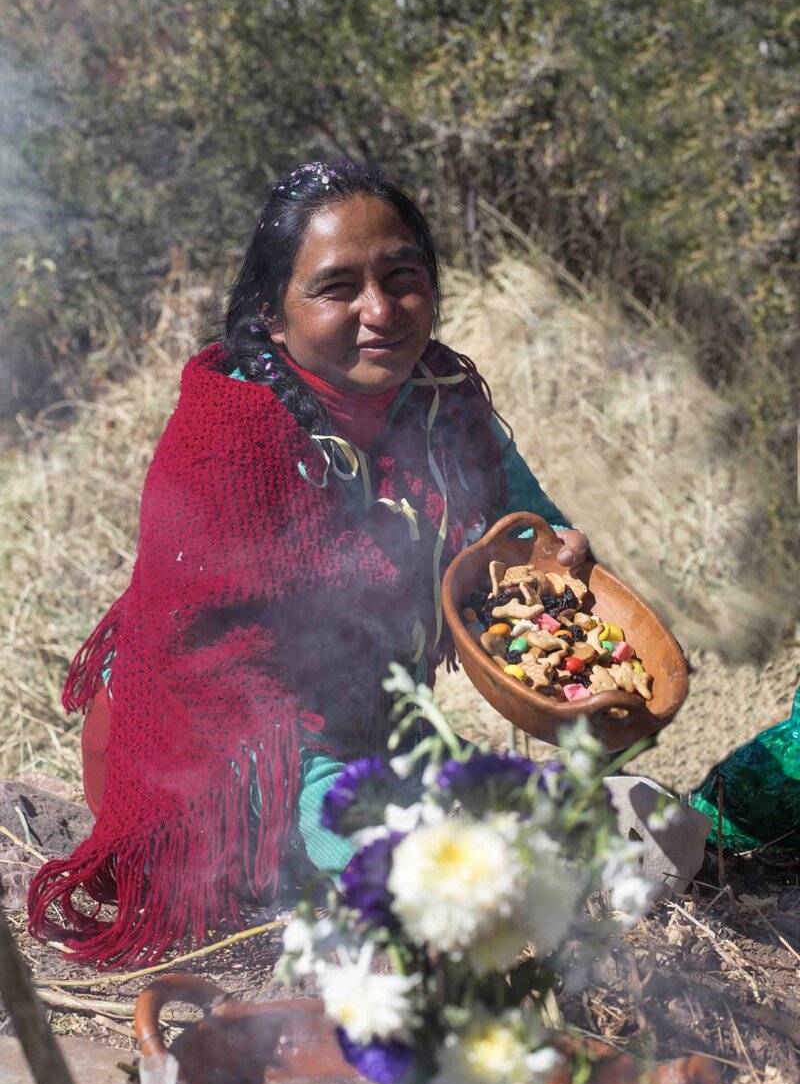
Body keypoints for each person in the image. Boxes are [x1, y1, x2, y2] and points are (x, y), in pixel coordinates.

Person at [28, 160, 588, 968]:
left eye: (403, 277)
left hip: (365, 725)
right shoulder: (230, 438)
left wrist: (559, 551)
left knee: (508, 828)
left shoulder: (439, 399)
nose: (381, 311)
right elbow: (218, 680)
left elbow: (523, 526)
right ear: (273, 318)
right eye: (336, 288)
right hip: (217, 753)